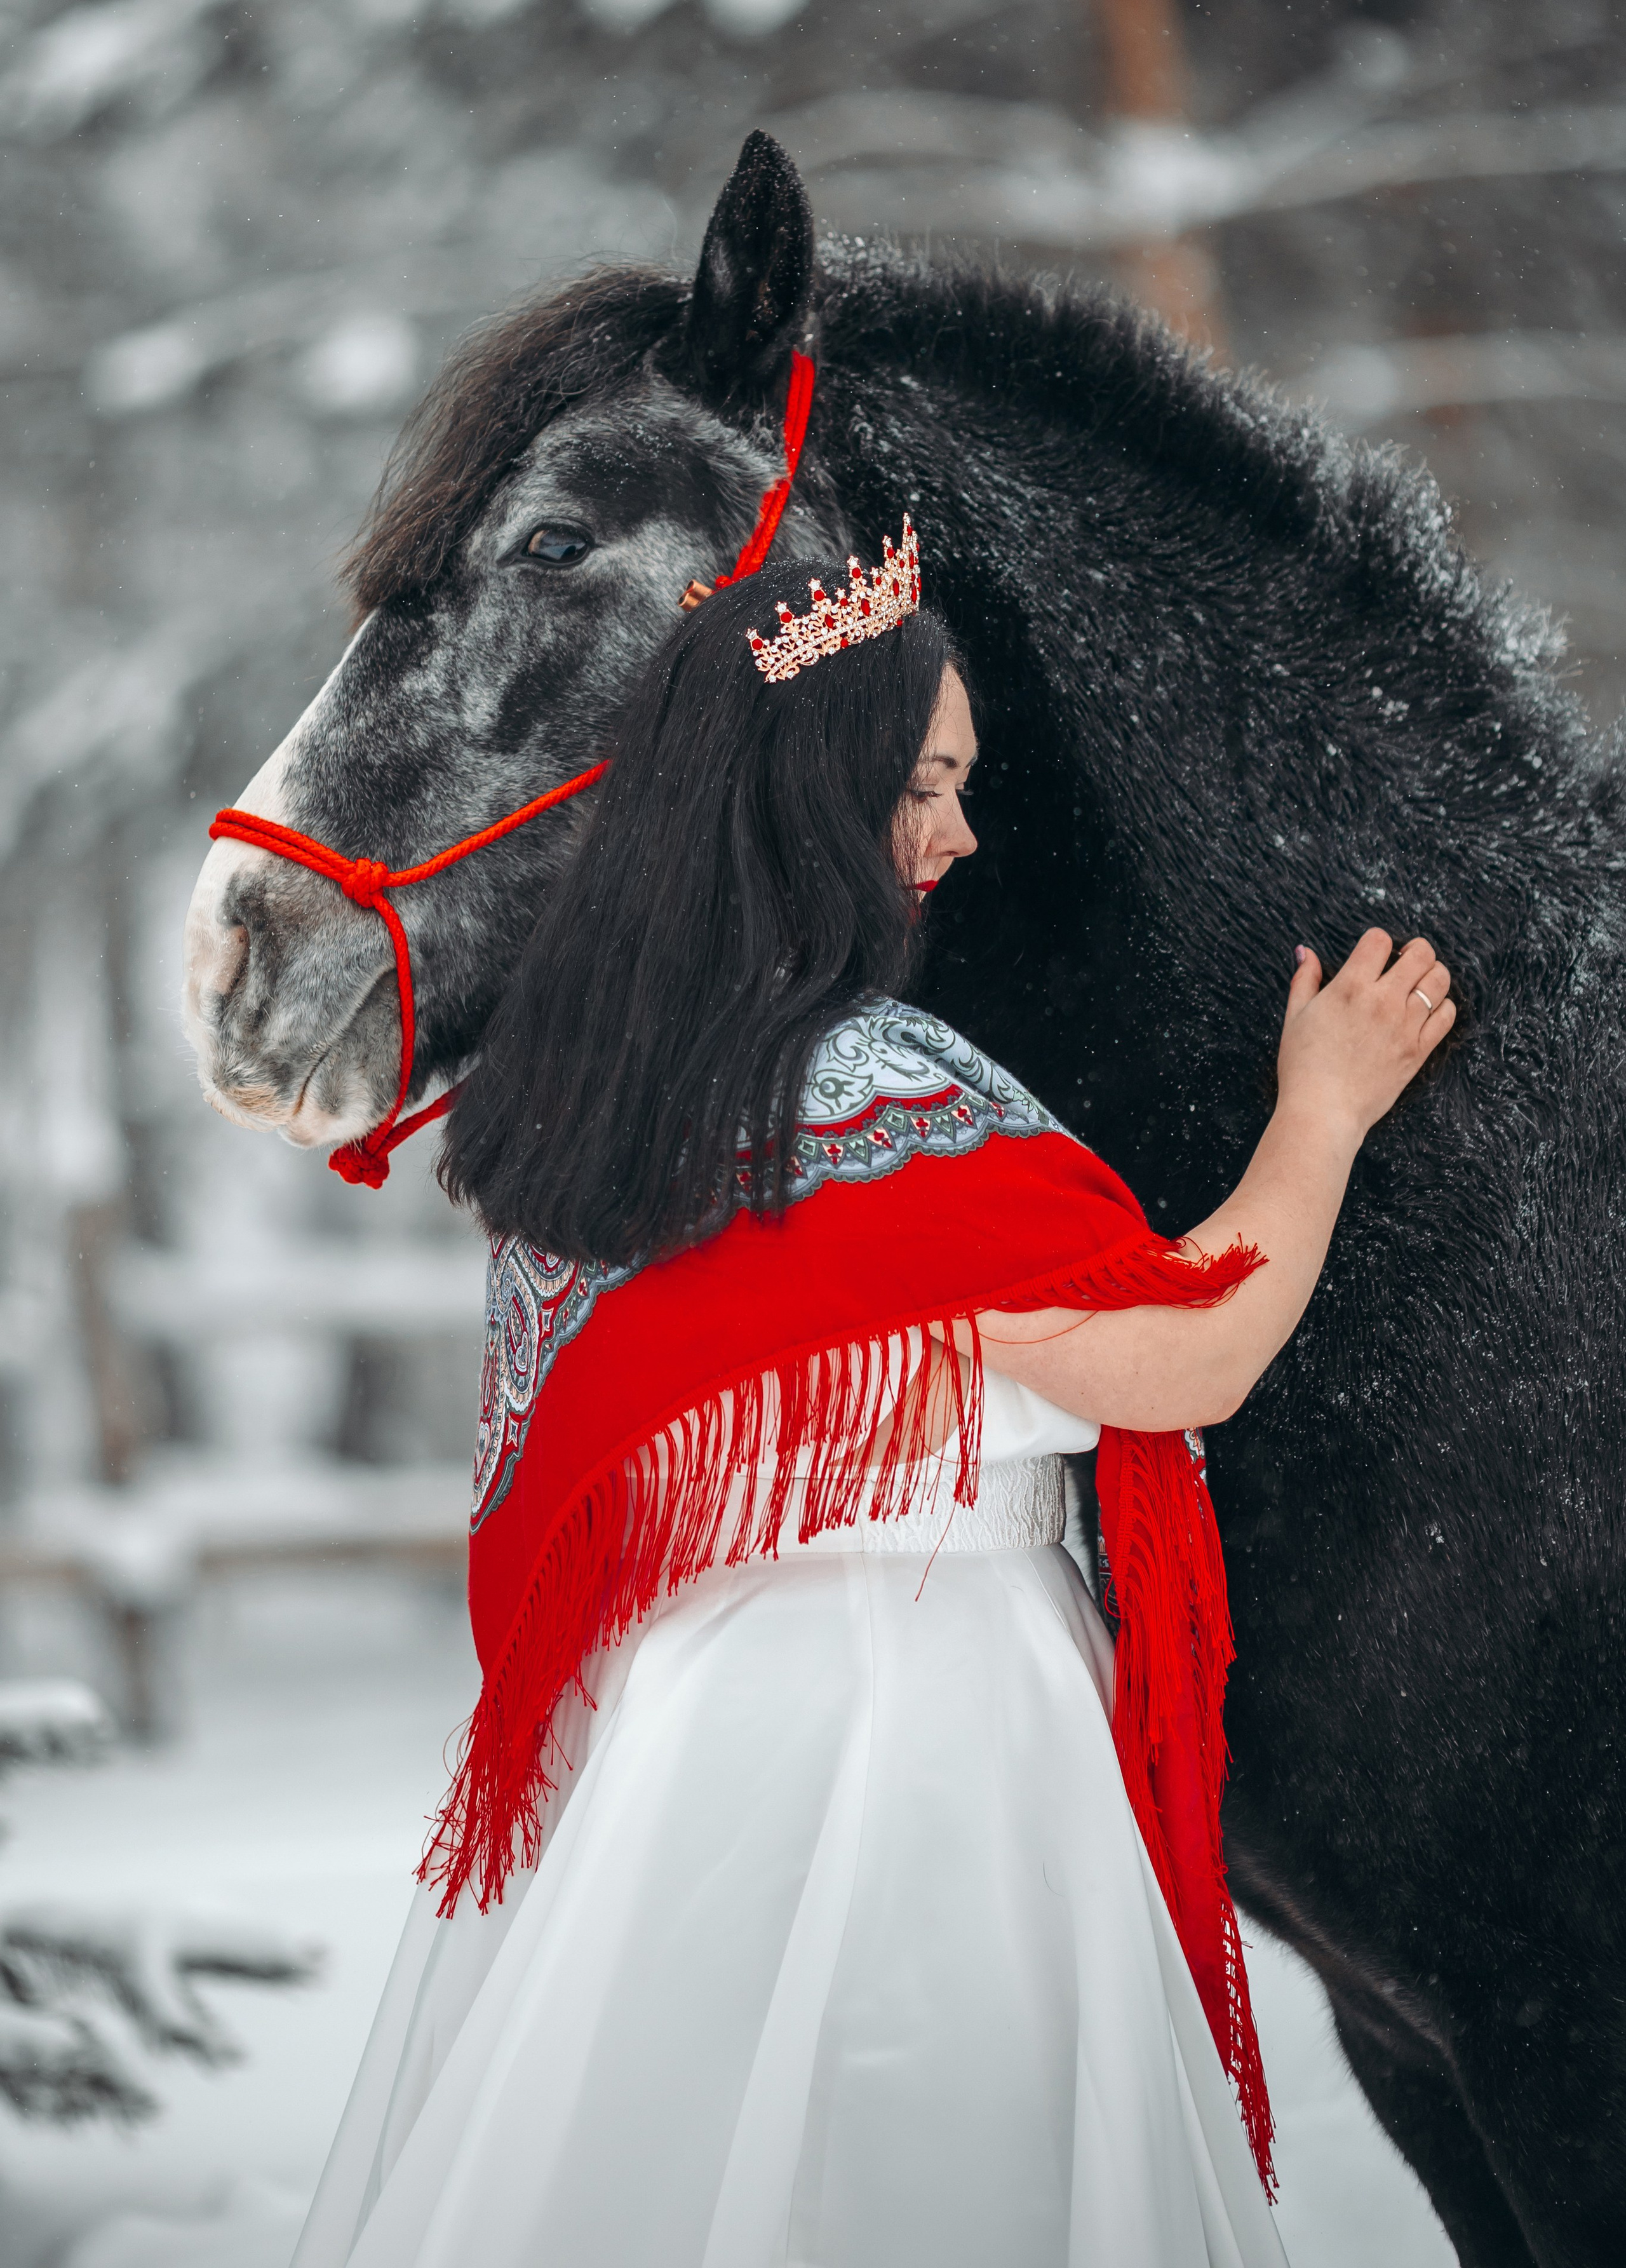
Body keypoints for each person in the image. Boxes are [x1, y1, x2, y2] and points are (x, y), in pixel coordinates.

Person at [292, 522, 1453, 2268]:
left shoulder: (606, 1096)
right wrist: (1328, 1110)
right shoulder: (877, 1093)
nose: (960, 834)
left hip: (683, 1731)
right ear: (810, 792)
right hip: (918, 1726)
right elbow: (1192, 1349)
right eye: (925, 783)